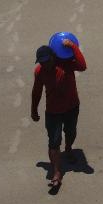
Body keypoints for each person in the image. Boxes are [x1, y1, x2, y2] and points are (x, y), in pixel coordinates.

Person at [31, 39, 87, 188]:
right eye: (41, 62)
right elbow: (36, 92)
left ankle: (68, 149)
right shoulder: (39, 71)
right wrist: (33, 110)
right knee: (53, 142)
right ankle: (57, 173)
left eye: (46, 61)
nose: (44, 65)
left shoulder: (66, 64)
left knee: (70, 132)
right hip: (53, 112)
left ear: (53, 57)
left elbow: (83, 66)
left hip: (71, 107)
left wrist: (73, 47)